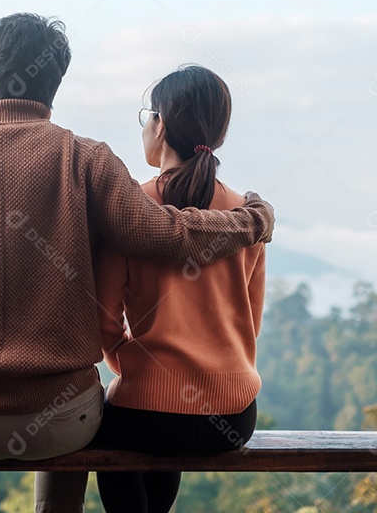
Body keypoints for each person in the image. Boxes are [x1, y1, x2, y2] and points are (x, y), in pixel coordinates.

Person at [0, 15, 273, 513]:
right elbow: (161, 233)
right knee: (76, 429)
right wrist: (249, 223)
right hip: (63, 418)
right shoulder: (87, 159)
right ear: (52, 85)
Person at [90, 65, 266, 512]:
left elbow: (103, 321)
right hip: (233, 414)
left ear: (161, 123)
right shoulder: (247, 216)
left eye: (146, 116)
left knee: (117, 431)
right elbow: (251, 322)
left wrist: (136, 371)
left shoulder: (132, 210)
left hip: (147, 414)